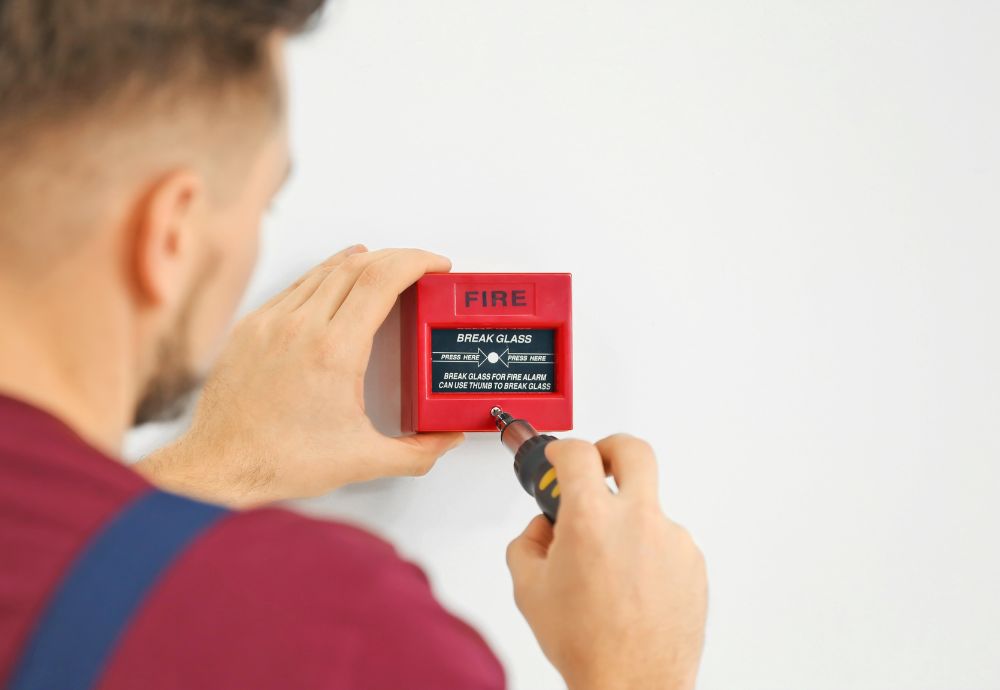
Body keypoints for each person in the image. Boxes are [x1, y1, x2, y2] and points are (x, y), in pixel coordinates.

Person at [0, 1, 708, 688]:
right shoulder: (335, 637)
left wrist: (222, 467)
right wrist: (634, 671)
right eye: (262, 204)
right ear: (172, 235)